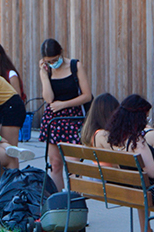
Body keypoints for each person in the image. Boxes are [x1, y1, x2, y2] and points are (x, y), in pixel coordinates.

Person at [96, 95, 154, 232]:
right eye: (145, 117)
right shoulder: (137, 141)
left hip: (138, 189)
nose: (146, 121)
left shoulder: (119, 139)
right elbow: (153, 172)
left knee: (141, 184)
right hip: (153, 191)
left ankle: (146, 229)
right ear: (137, 118)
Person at [38, 38, 92, 191]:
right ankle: (59, 203)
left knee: (73, 165)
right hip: (54, 119)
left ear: (61, 53)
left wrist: (64, 104)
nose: (53, 63)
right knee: (55, 164)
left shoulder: (75, 66)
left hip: (72, 117)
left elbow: (87, 95)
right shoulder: (46, 70)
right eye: (49, 61)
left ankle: (75, 202)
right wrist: (43, 74)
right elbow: (48, 98)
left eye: (55, 60)